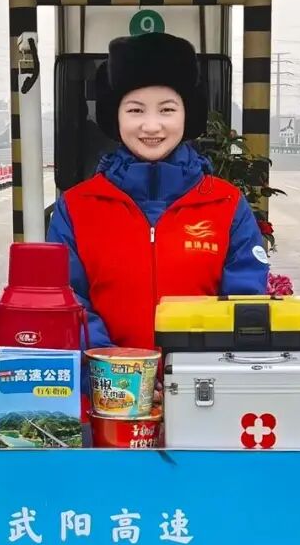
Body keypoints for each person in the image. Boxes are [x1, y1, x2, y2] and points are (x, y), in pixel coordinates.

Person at [47, 32, 270, 352]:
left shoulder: (226, 203)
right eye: (135, 110)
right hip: (105, 379)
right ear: (115, 115)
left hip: (201, 379)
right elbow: (67, 298)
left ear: (187, 114)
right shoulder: (75, 207)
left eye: (167, 110)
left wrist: (194, 368)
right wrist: (112, 363)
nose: (151, 126)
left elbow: (243, 301)